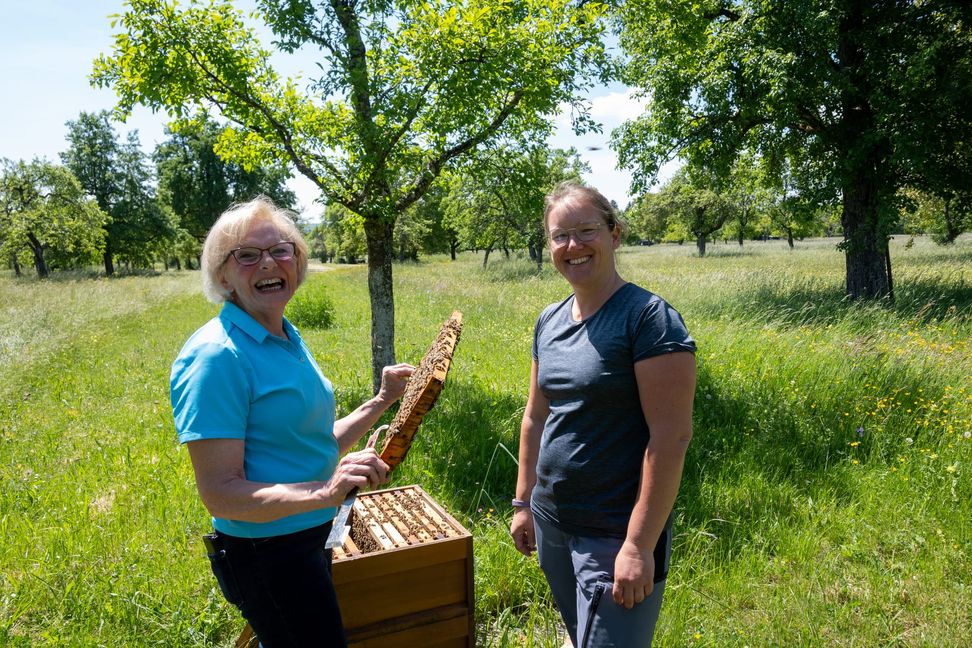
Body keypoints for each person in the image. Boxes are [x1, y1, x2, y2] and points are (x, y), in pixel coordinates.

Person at [170, 196, 413, 648]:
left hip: (306, 533)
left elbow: (310, 443)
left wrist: (381, 401)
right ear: (222, 275)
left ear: (298, 262)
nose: (268, 263)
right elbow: (220, 492)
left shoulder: (283, 333)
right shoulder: (216, 356)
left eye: (281, 250)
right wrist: (325, 490)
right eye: (247, 254)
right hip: (268, 554)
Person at [510, 182, 696, 648]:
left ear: (614, 233)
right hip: (551, 520)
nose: (572, 246)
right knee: (580, 635)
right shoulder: (548, 320)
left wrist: (638, 545)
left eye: (586, 230)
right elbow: (535, 417)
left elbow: (670, 438)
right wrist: (522, 502)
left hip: (614, 532)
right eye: (559, 236)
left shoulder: (648, 318)